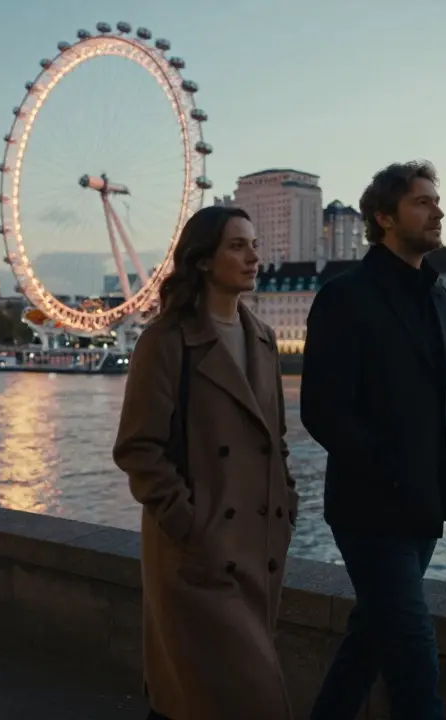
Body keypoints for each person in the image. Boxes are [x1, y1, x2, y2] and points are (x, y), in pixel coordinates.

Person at [113, 204, 298, 720]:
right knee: (239, 698)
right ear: (201, 261)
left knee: (204, 700)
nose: (254, 256)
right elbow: (137, 448)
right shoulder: (165, 341)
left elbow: (275, 439)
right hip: (197, 555)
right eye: (237, 246)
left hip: (256, 549)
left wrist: (286, 500)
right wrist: (187, 523)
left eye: (255, 244)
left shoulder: (263, 338)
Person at [300, 161, 446, 719]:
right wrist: (392, 470)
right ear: (383, 216)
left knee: (369, 641)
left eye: (435, 201)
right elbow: (322, 411)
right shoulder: (345, 296)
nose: (437, 211)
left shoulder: (439, 298)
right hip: (371, 509)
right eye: (422, 202)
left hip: (426, 504)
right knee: (414, 659)